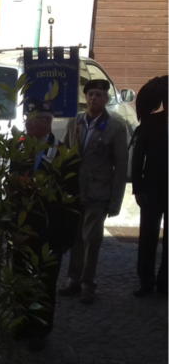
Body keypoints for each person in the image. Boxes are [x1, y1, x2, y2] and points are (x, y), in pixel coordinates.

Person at [11, 98, 80, 351]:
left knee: (43, 282)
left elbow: (72, 199)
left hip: (49, 232)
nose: (27, 123)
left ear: (47, 122)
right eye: (26, 118)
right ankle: (21, 322)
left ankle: (39, 327)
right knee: (20, 278)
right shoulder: (19, 148)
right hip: (22, 229)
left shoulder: (63, 154)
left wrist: (66, 238)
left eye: (33, 119)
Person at [59, 79, 128, 305]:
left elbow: (121, 168)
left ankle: (88, 284)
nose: (93, 99)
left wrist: (115, 202)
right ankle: (73, 278)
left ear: (106, 99)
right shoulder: (75, 122)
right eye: (90, 95)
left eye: (98, 95)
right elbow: (65, 157)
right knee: (75, 238)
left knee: (92, 239)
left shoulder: (115, 127)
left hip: (99, 192)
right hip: (75, 191)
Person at [131, 76, 169, 297]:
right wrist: (137, 188)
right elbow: (138, 158)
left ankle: (166, 282)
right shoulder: (151, 123)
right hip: (152, 190)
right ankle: (146, 280)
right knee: (147, 237)